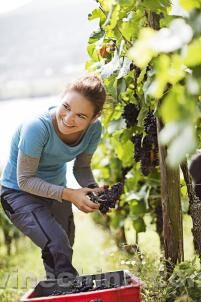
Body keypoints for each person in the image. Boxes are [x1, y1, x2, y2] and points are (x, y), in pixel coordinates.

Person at [0, 73, 106, 279]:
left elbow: (82, 167)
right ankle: (71, 292)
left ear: (93, 118)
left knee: (64, 243)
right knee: (56, 243)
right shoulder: (37, 128)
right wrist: (71, 194)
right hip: (18, 193)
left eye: (81, 116)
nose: (68, 118)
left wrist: (94, 191)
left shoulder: (94, 130)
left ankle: (57, 290)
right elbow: (26, 180)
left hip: (55, 189)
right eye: (66, 107)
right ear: (61, 98)